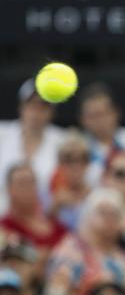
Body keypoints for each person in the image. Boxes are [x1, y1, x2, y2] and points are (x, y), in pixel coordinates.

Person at [45, 187, 125, 295]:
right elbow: (57, 293)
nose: (109, 219)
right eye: (103, 212)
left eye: (114, 214)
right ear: (88, 214)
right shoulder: (70, 249)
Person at [0, 78, 64, 215]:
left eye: (43, 107)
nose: (36, 112)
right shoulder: (2, 134)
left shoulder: (62, 142)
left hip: (44, 217)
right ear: (21, 107)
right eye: (31, 105)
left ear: (51, 112)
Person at [0, 163, 67, 253]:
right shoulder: (5, 227)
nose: (28, 187)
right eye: (22, 183)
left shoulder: (56, 224)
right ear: (9, 190)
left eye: (32, 182)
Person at [47, 130, 92, 231]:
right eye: (68, 159)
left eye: (82, 158)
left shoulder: (97, 195)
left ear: (88, 163)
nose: (76, 165)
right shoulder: (46, 194)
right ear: (59, 163)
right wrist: (55, 206)